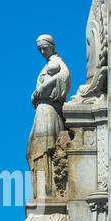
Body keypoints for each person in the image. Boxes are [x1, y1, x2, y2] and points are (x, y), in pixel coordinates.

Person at [27, 35, 70, 198]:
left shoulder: (57, 64)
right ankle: (42, 191)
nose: (42, 51)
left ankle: (49, 191)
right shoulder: (50, 65)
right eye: (39, 49)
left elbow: (63, 78)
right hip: (42, 110)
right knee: (35, 148)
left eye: (44, 48)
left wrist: (44, 86)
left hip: (49, 111)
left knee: (45, 147)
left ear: (51, 46)